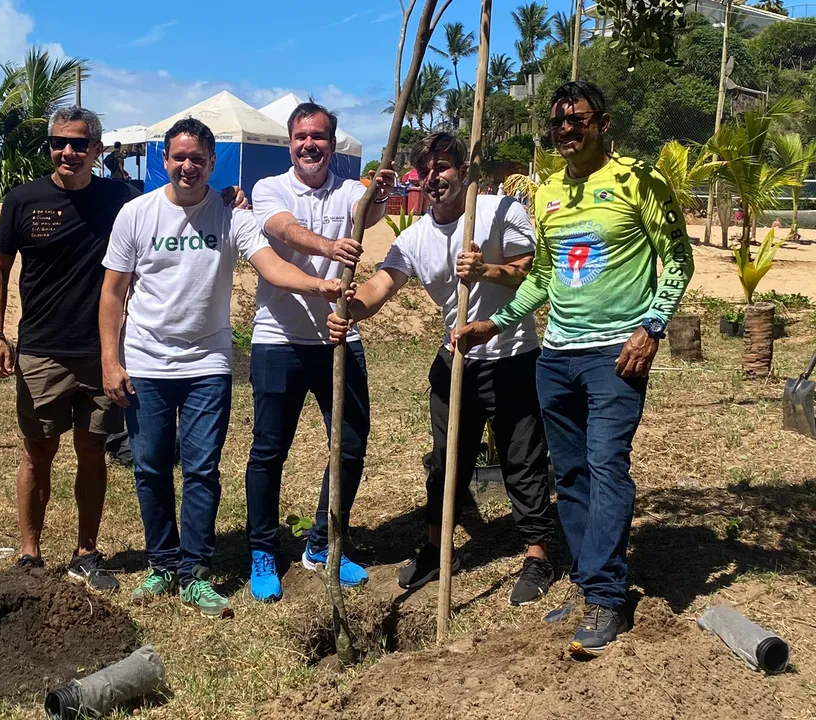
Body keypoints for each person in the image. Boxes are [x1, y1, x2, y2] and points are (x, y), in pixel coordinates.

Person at [454, 81, 694, 656]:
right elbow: (546, 274)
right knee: (572, 476)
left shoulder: (639, 179)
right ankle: (592, 581)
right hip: (556, 357)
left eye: (576, 120)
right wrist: (499, 321)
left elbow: (678, 260)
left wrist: (652, 326)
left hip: (616, 353)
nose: (566, 131)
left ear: (602, 122)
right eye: (556, 123)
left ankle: (606, 597)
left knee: (607, 464)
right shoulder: (548, 193)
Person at [99, 118, 352, 618]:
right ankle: (161, 564)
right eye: (178, 157)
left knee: (201, 469)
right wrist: (111, 359)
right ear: (164, 161)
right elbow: (112, 292)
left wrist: (316, 284)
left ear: (213, 164)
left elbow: (269, 265)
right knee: (149, 467)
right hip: (146, 361)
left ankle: (194, 571)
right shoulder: (135, 214)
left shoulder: (232, 216)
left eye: (198, 158)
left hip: (208, 364)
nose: (187, 166)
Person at [0, 106, 244, 591]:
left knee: (92, 449)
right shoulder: (23, 200)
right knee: (37, 451)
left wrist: (228, 197)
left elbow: (178, 208)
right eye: (60, 142)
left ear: (97, 150)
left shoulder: (121, 199)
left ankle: (87, 551)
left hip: (108, 351)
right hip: (42, 347)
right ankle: (30, 554)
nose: (69, 151)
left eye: (80, 144)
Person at [327, 133, 555, 603]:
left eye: (444, 167)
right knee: (446, 462)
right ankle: (435, 549)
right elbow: (381, 287)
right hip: (456, 364)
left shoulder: (498, 210)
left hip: (513, 358)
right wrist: (351, 306)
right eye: (426, 170)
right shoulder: (414, 238)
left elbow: (529, 269)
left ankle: (536, 555)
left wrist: (485, 270)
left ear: (463, 170)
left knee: (522, 460)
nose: (435, 177)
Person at [244, 102, 395, 603]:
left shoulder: (351, 191)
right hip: (278, 340)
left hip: (338, 339)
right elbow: (283, 230)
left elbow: (369, 213)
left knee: (349, 444)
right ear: (290, 142)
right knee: (269, 451)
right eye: (301, 136)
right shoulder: (271, 188)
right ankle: (263, 550)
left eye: (319, 137)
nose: (310, 144)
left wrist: (381, 193)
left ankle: (322, 543)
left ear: (332, 143)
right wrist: (329, 249)